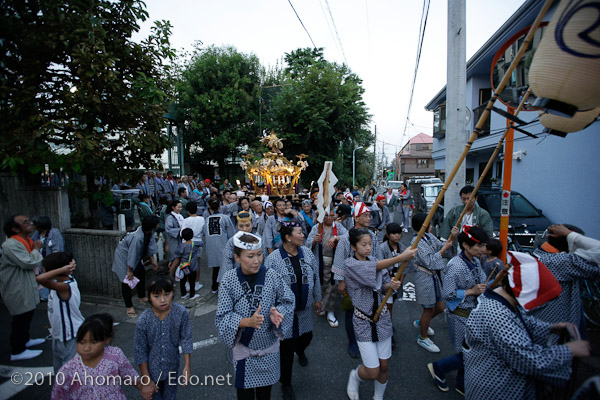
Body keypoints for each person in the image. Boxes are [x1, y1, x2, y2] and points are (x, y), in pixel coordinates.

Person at [463, 257, 591, 399]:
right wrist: (568, 350)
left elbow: (524, 322)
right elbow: (528, 360)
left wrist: (551, 327)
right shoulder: (498, 314)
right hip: (495, 389)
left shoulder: (500, 298)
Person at [215, 232, 295, 400]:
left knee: (265, 393)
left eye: (259, 254)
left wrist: (278, 313)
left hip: (269, 348)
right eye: (250, 256)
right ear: (237, 258)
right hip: (244, 351)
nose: (257, 260)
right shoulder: (229, 280)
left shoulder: (272, 275)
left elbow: (288, 300)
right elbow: (222, 316)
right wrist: (245, 322)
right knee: (244, 394)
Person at [344, 228, 417, 400]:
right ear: (354, 247)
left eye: (370, 244)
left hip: (383, 318)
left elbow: (383, 286)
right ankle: (355, 376)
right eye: (363, 244)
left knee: (384, 366)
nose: (368, 248)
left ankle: (378, 397)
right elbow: (372, 268)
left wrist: (390, 286)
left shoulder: (375, 260)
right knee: (372, 371)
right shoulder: (350, 264)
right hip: (363, 321)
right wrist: (400, 258)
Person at [428, 225, 489, 395]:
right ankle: (439, 368)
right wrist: (472, 291)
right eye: (479, 246)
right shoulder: (456, 266)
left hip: (472, 313)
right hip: (460, 314)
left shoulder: (475, 261)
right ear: (465, 245)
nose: (482, 249)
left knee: (468, 350)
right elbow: (448, 294)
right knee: (467, 352)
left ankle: (462, 384)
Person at [266, 222, 321, 400]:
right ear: (288, 237)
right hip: (285, 314)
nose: (303, 235)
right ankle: (286, 383)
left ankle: (301, 349)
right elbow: (268, 287)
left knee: (307, 337)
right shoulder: (274, 259)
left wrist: (317, 298)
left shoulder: (307, 253)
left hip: (304, 311)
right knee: (286, 351)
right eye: (299, 232)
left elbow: (315, 276)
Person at [529, 224, 600, 335]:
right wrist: (571, 235)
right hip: (557, 334)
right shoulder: (562, 263)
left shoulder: (538, 257)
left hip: (540, 327)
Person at [51, 313, 142, 399]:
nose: (86, 348)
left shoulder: (115, 355)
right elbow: (58, 395)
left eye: (93, 342)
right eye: (82, 342)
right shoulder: (68, 370)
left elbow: (130, 376)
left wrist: (145, 387)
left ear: (106, 339)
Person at [333, 202, 381, 358]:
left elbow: (378, 257)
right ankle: (352, 341)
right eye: (365, 215)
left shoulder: (372, 235)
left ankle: (370, 337)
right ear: (356, 217)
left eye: (370, 215)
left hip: (369, 279)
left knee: (370, 308)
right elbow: (340, 259)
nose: (369, 218)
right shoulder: (347, 238)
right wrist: (341, 281)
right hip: (352, 281)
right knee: (351, 312)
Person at [135, 275, 193, 400]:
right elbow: (140, 351)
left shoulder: (181, 313)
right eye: (156, 296)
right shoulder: (144, 320)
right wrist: (146, 379)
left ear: (173, 293)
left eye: (167, 294)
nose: (162, 300)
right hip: (152, 372)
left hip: (172, 367)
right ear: (149, 297)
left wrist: (187, 366)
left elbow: (186, 338)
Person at [0, 215, 46, 361]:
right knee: (20, 317)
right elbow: (27, 262)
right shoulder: (11, 245)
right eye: (26, 222)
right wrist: (37, 249)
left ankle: (25, 340)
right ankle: (18, 350)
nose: (31, 224)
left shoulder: (26, 241)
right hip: (16, 286)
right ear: (15, 228)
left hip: (24, 284)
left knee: (27, 314)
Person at [410, 213, 457, 353]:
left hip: (434, 276)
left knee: (440, 307)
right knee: (428, 308)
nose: (431, 226)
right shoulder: (416, 241)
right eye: (429, 224)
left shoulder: (429, 236)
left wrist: (452, 237)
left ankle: (422, 323)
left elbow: (441, 245)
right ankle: (422, 337)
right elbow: (430, 261)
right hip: (424, 276)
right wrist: (444, 248)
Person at [36, 252, 84, 372]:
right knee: (59, 369)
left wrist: (62, 269)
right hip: (59, 334)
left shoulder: (65, 286)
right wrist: (65, 268)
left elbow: (40, 279)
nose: (43, 271)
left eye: (44, 269)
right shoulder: (61, 283)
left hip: (70, 335)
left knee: (69, 372)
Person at [111, 215, 160, 318]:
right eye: (157, 223)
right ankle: (129, 306)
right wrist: (129, 270)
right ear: (152, 226)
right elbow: (131, 255)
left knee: (141, 272)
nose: (158, 225)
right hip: (124, 256)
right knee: (127, 281)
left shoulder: (148, 232)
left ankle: (141, 295)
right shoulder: (137, 237)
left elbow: (150, 247)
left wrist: (153, 261)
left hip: (135, 257)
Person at [306, 210, 347, 328]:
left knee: (332, 286)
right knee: (321, 285)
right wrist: (315, 240)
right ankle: (322, 305)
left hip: (334, 260)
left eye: (331, 215)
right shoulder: (316, 228)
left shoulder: (338, 227)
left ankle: (331, 312)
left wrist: (336, 238)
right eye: (326, 215)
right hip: (319, 261)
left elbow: (348, 236)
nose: (329, 218)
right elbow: (308, 244)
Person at [380, 222, 414, 347]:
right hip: (385, 282)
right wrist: (389, 282)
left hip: (397, 281)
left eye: (399, 233)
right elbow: (380, 265)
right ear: (388, 235)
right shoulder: (382, 248)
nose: (397, 236)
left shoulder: (403, 248)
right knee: (387, 308)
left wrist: (400, 280)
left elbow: (405, 267)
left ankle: (387, 327)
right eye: (394, 233)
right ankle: (387, 331)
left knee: (390, 306)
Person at [204, 198, 235, 293]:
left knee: (216, 268)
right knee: (226, 267)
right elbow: (231, 233)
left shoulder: (207, 219)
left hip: (211, 247)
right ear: (219, 206)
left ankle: (214, 286)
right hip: (223, 245)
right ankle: (226, 288)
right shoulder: (225, 218)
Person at [31, 215, 65, 301]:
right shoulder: (36, 234)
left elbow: (58, 250)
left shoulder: (54, 233)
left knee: (53, 281)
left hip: (52, 263)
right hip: (40, 264)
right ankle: (44, 296)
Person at [218, 211, 258, 283]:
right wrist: (229, 279)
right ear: (237, 226)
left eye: (247, 225)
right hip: (238, 275)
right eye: (241, 226)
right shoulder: (232, 241)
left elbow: (264, 257)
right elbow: (227, 260)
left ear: (252, 224)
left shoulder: (258, 239)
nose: (244, 229)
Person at [169, 228, 201, 300]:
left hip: (184, 266)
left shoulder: (181, 245)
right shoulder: (195, 244)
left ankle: (183, 294)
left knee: (183, 280)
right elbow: (203, 243)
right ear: (192, 235)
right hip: (192, 265)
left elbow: (176, 254)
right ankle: (192, 295)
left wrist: (171, 261)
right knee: (192, 280)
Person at [181, 201, 205, 292]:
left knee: (186, 263)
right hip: (198, 241)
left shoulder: (186, 220)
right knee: (197, 263)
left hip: (187, 243)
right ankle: (196, 283)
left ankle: (187, 283)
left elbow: (182, 232)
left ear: (187, 211)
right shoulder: (202, 219)